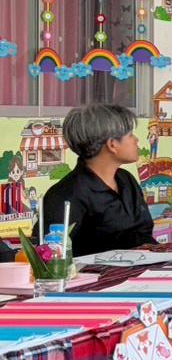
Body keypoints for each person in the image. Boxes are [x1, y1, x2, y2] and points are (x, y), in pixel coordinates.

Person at [35, 103, 155, 256]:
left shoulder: (126, 180)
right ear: (112, 144)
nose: (136, 140)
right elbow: (48, 256)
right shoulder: (66, 195)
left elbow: (144, 235)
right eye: (130, 134)